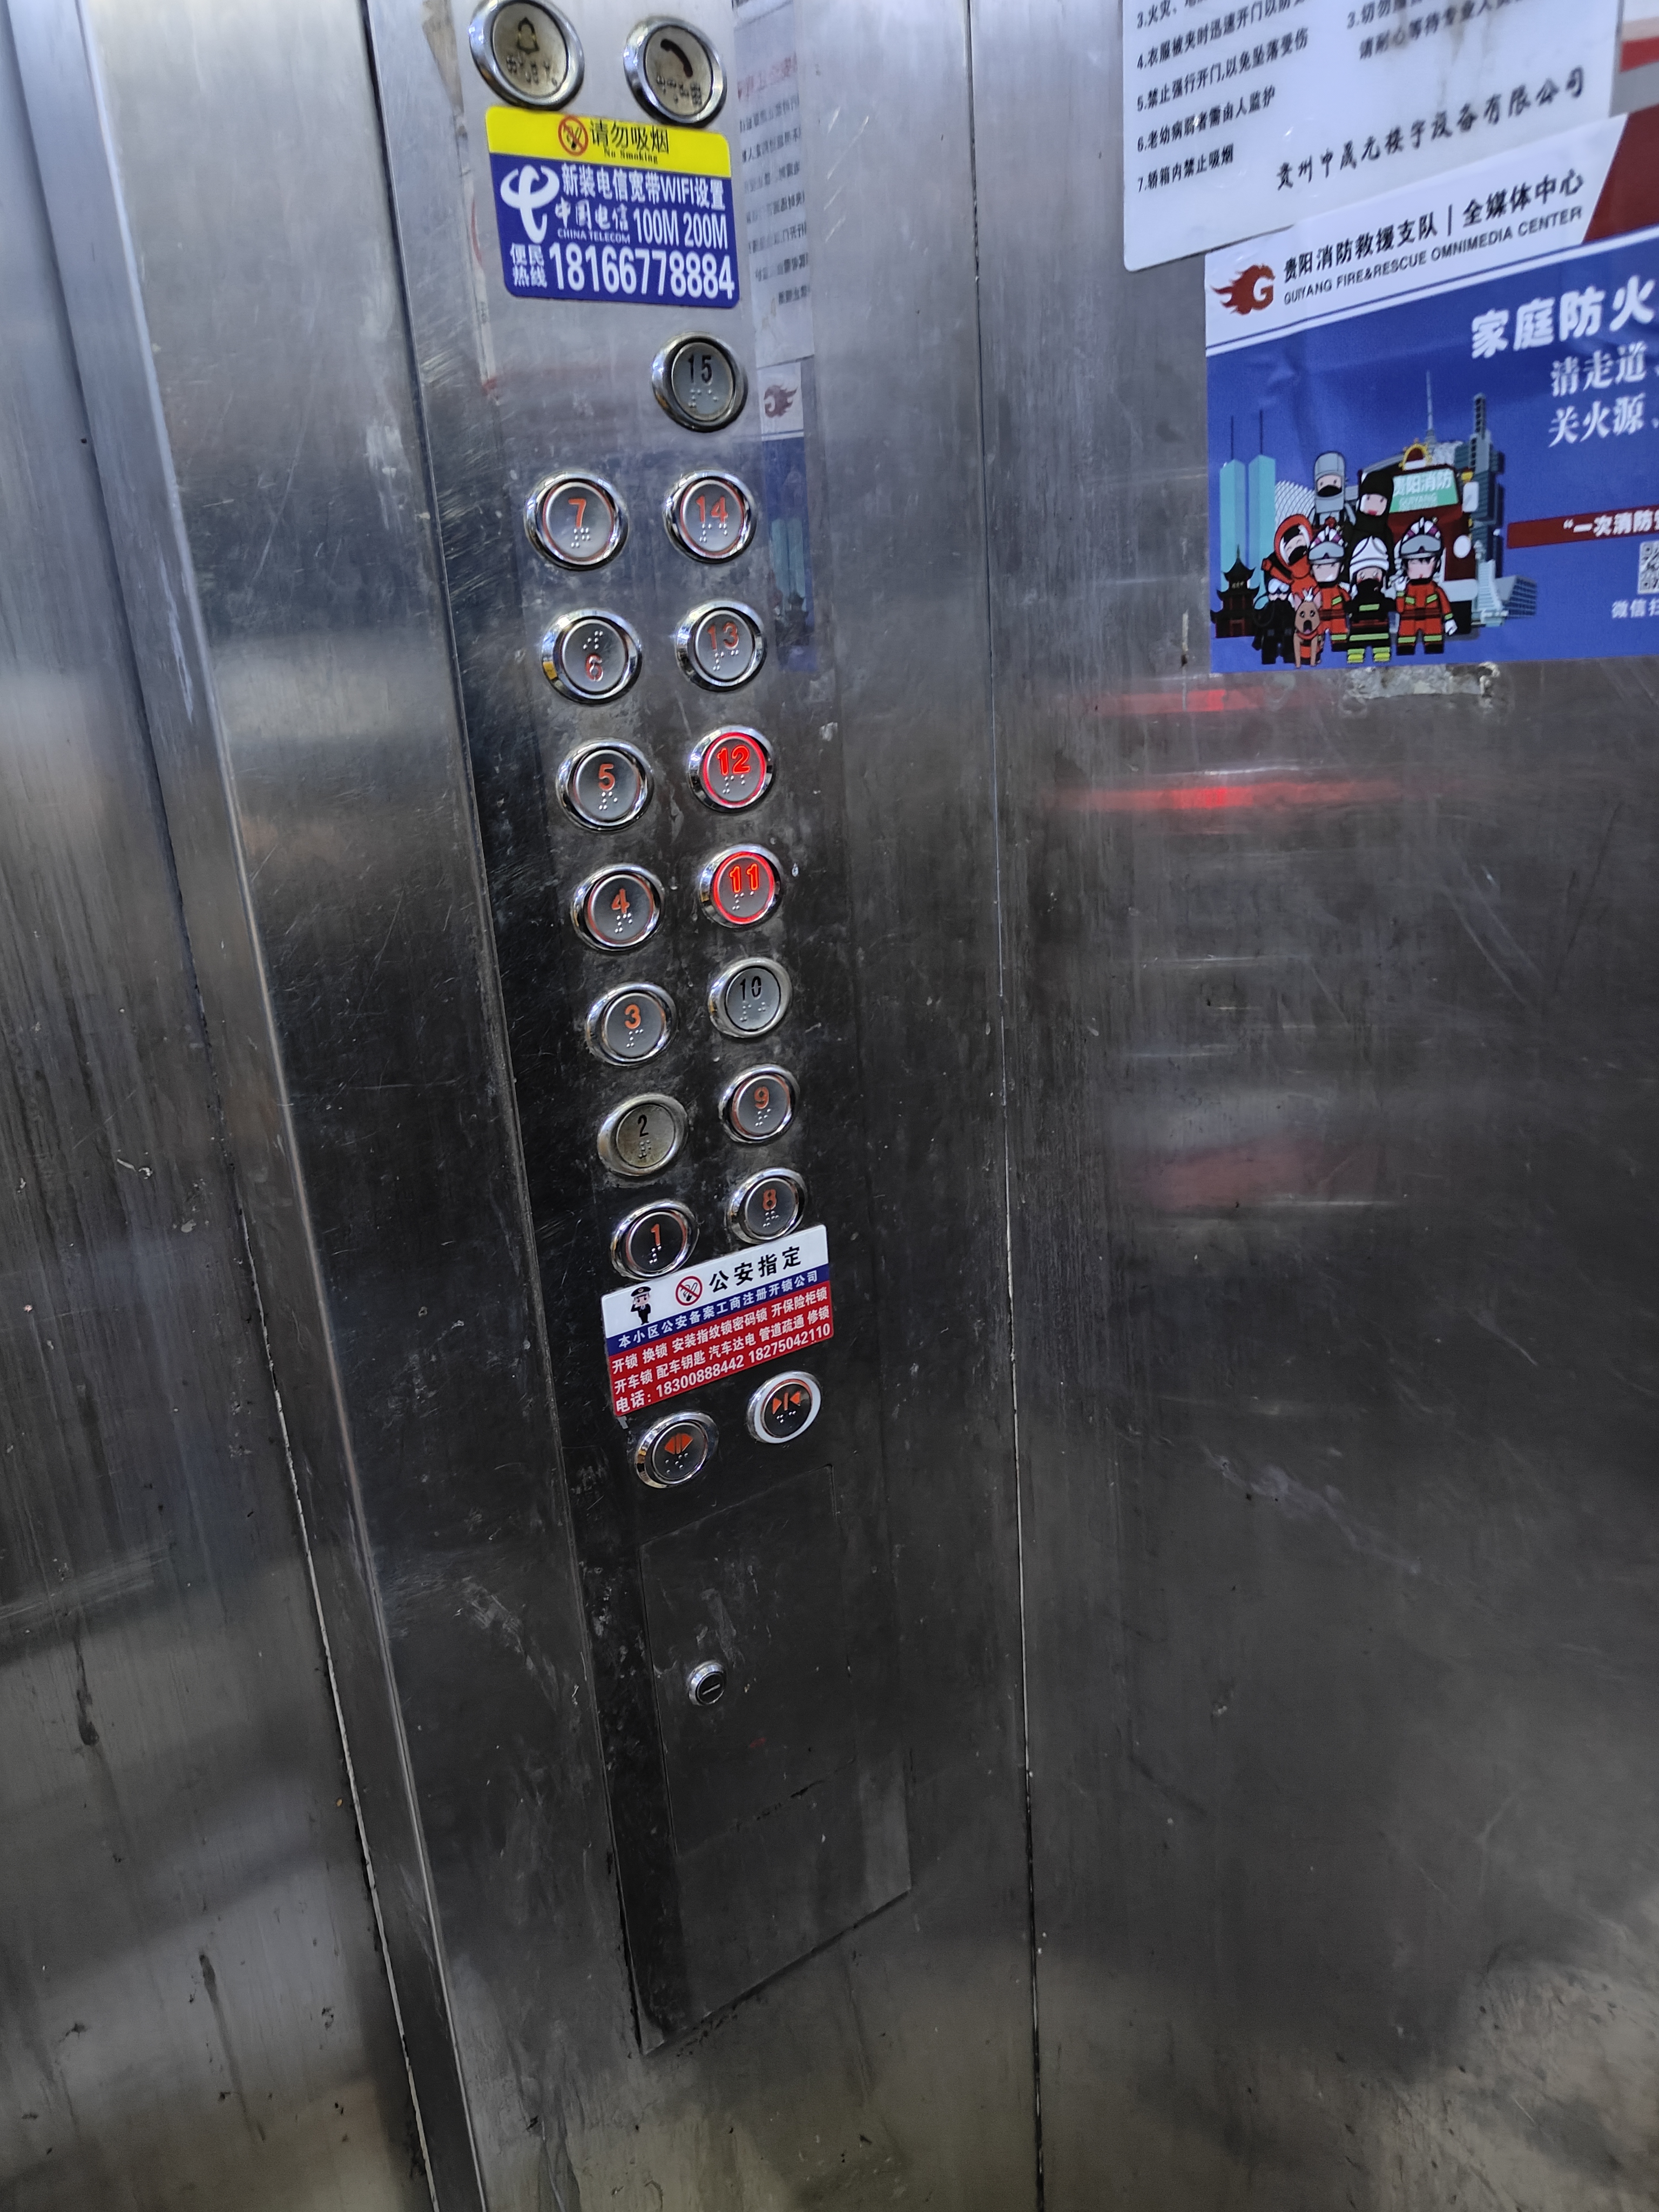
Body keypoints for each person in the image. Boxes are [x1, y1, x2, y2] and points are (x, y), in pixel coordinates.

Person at [1394, 516, 1451, 655]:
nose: (1420, 568)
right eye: (1414, 562)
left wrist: (1449, 620)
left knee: (1434, 648)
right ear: (1405, 565)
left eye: (1426, 561)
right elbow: (1401, 609)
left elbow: (1444, 603)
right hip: (1408, 623)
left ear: (1437, 563)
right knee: (1405, 649)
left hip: (1432, 622)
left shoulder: (1435, 588)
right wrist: (1400, 593)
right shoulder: (1407, 588)